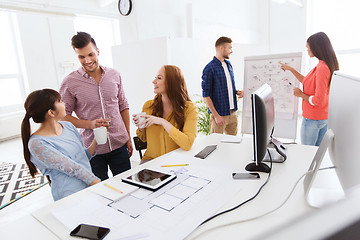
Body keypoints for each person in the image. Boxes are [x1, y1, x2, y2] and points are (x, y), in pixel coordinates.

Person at [59, 32, 132, 181]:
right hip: (92, 150)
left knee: (127, 185)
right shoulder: (70, 82)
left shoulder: (114, 75)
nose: (87, 60)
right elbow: (62, 116)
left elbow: (123, 105)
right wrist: (90, 124)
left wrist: (128, 136)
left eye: (91, 55)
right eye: (81, 57)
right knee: (100, 192)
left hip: (119, 143)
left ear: (98, 52)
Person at [21, 89, 100, 201]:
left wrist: (96, 141)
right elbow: (73, 168)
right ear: (51, 112)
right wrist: (99, 184)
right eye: (60, 101)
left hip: (89, 187)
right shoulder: (37, 144)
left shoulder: (68, 126)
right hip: (69, 195)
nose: (64, 104)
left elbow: (83, 157)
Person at [279, 32, 339, 146]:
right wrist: (291, 69)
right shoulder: (326, 65)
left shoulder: (322, 68)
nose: (307, 50)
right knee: (315, 152)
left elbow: (318, 100)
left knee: (307, 153)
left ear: (316, 47)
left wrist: (300, 94)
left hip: (313, 119)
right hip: (323, 117)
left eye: (308, 47)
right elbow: (306, 81)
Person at [133, 65, 198, 162]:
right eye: (155, 77)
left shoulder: (189, 109)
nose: (154, 81)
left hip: (176, 161)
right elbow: (143, 139)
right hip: (151, 161)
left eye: (159, 78)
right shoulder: (148, 106)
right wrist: (141, 127)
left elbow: (187, 143)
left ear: (171, 82)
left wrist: (163, 122)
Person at [201, 36, 244, 135]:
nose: (231, 51)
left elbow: (226, 87)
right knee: (216, 145)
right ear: (221, 48)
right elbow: (206, 95)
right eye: (229, 48)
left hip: (232, 114)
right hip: (219, 116)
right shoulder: (209, 68)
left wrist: (237, 92)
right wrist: (216, 116)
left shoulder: (228, 65)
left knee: (233, 144)